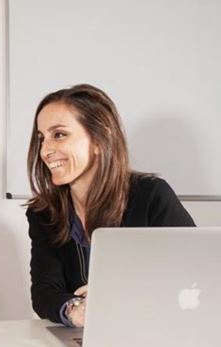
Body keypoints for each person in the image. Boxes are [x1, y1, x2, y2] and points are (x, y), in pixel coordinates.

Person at [25, 84, 195, 328]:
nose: (45, 150)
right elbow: (44, 292)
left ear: (98, 139)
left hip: (153, 331)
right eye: (42, 138)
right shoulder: (43, 213)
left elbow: (195, 277)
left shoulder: (150, 195)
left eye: (59, 134)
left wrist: (119, 296)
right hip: (85, 338)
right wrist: (76, 310)